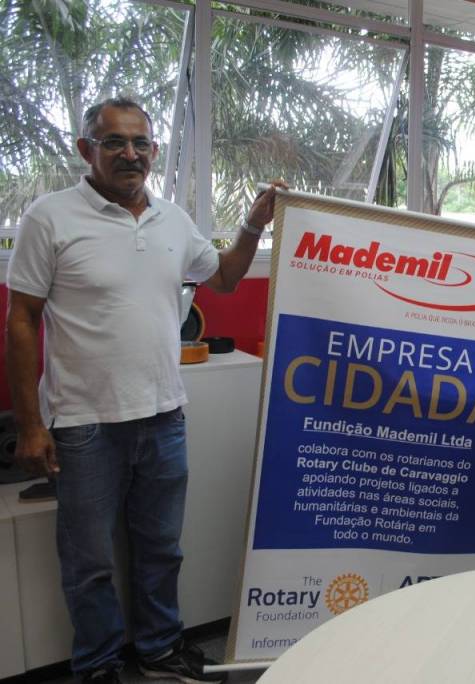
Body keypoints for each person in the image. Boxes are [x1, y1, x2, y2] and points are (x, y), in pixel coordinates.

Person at [5, 97, 285, 683]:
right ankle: (99, 665)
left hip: (164, 416)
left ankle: (159, 649)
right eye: (114, 142)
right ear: (86, 149)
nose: (129, 153)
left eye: (140, 143)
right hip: (83, 423)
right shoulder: (49, 218)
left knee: (161, 548)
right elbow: (22, 320)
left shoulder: (172, 220)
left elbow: (225, 277)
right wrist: (30, 425)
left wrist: (253, 224)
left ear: (154, 151)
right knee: (89, 562)